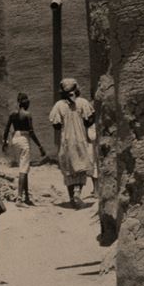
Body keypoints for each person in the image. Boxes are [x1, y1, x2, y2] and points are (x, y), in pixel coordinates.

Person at [49, 78, 95, 208]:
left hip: (66, 141)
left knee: (68, 169)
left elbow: (56, 126)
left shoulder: (58, 105)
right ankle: (78, 192)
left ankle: (71, 199)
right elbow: (89, 122)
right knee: (81, 167)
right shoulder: (83, 102)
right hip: (80, 140)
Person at [2, 92, 47, 204]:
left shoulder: (13, 114)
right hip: (24, 140)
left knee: (24, 167)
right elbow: (31, 132)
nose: (29, 103)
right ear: (25, 102)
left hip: (15, 140)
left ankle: (26, 196)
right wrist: (40, 146)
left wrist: (5, 143)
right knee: (23, 169)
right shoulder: (27, 115)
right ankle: (19, 198)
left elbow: (7, 129)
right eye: (27, 101)